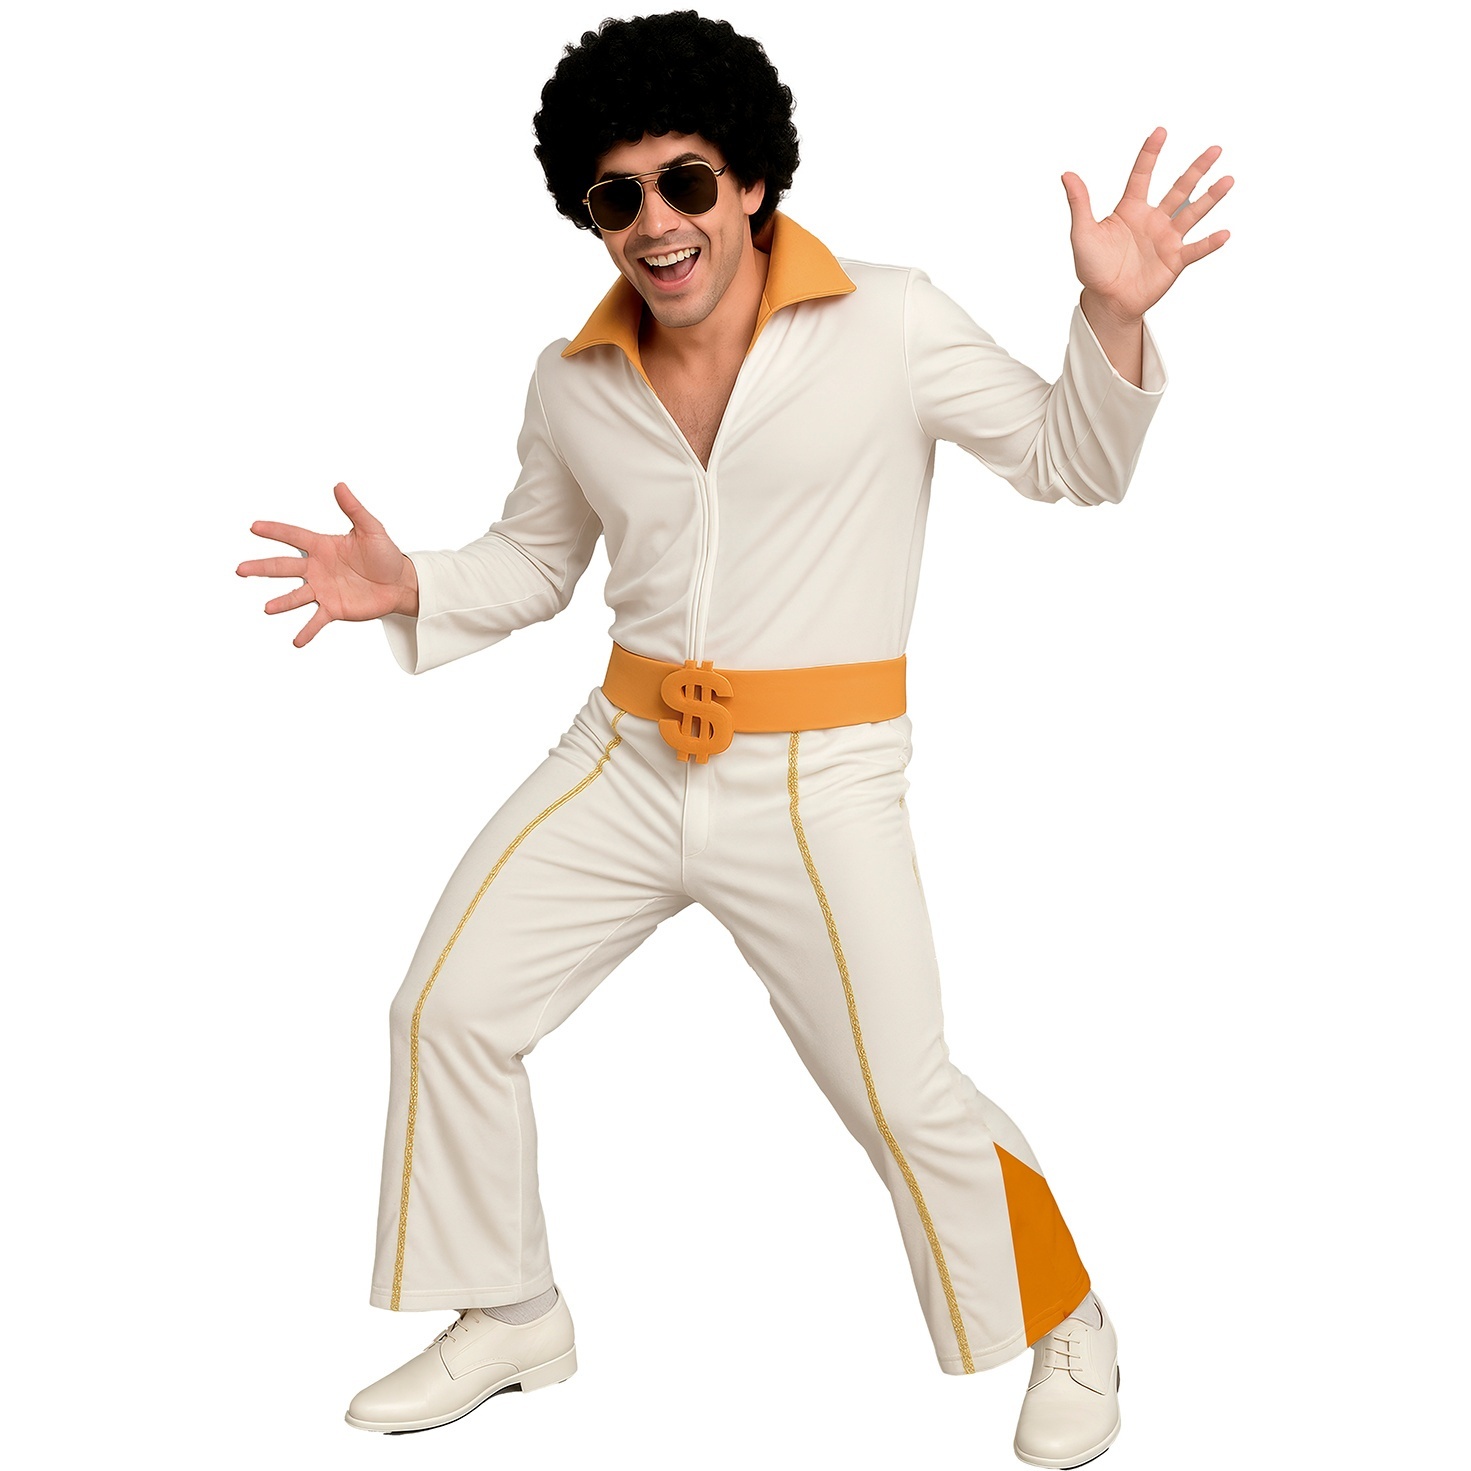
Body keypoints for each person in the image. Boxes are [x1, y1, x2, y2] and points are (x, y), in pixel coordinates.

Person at [237, 11, 1230, 1464]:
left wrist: (1113, 318)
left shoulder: (890, 321)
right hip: (624, 755)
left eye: (687, 181)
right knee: (445, 1009)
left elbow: (1071, 460)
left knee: (900, 1090)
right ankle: (509, 1310)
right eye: (617, 196)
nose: (657, 222)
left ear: (753, 181)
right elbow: (536, 561)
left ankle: (1064, 1315)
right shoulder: (572, 379)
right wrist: (413, 586)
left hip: (820, 780)